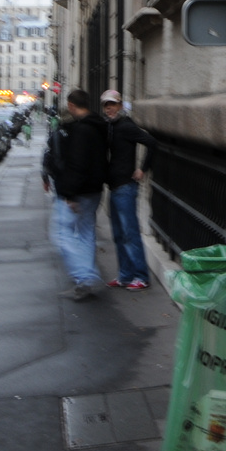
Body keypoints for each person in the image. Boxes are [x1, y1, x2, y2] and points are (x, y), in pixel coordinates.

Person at [41, 89, 108, 300]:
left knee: (61, 233)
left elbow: (78, 163)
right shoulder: (100, 126)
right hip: (95, 190)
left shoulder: (80, 130)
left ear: (71, 105)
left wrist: (69, 193)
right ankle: (86, 280)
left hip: (78, 191)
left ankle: (85, 275)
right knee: (87, 233)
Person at [100, 90, 157, 290]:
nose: (109, 108)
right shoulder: (109, 127)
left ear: (120, 105)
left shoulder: (126, 126)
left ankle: (141, 276)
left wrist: (142, 169)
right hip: (114, 188)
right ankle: (125, 275)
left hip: (125, 187)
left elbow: (151, 142)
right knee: (118, 234)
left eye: (112, 105)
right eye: (106, 105)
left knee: (130, 233)